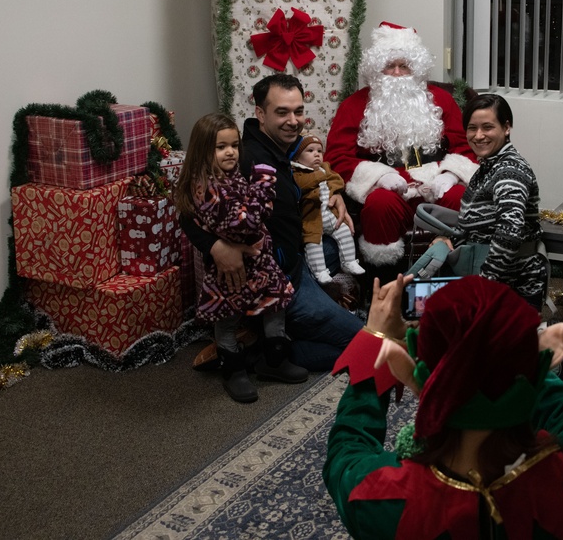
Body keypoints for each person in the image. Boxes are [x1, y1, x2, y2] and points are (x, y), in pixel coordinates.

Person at [324, 274, 563, 539]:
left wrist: (377, 337)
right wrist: (504, 341)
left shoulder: (378, 498)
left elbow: (347, 446)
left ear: (421, 377)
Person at [180, 74, 362, 372]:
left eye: (299, 111)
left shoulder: (283, 148)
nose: (293, 120)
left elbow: (310, 178)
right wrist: (214, 246)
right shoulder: (244, 158)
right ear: (260, 114)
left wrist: (334, 192)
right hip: (276, 277)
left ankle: (269, 332)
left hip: (295, 256)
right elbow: (187, 211)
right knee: (362, 342)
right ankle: (264, 351)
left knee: (343, 241)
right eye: (282, 112)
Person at [174, 113, 307, 403]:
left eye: (234, 145)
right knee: (228, 314)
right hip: (231, 269)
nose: (231, 152)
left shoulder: (231, 174)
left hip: (261, 262)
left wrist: (258, 199)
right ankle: (233, 369)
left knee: (275, 302)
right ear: (202, 151)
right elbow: (241, 225)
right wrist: (263, 184)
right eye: (221, 147)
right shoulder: (205, 187)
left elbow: (257, 214)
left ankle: (274, 360)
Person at [325, 22, 477, 272]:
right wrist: (379, 176)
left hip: (435, 183)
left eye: (404, 66)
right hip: (388, 189)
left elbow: (464, 147)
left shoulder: (442, 100)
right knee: (379, 206)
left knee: (460, 198)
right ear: (376, 69)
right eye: (389, 66)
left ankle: (458, 274)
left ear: (416, 69)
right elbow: (337, 157)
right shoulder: (355, 105)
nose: (396, 73)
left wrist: (451, 175)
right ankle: (385, 280)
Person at [427, 94, 547, 310]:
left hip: (509, 286)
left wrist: (484, 283)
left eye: (487, 127)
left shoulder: (509, 170)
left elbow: (510, 232)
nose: (478, 135)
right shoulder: (489, 166)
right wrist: (449, 237)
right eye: (472, 128)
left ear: (506, 127)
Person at [291, 134, 367, 284]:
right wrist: (319, 175)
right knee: (313, 243)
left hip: (330, 215)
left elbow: (337, 179)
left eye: (319, 151)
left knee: (345, 231)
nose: (316, 154)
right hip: (313, 220)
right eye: (310, 151)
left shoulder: (324, 168)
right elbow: (303, 184)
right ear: (297, 158)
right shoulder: (297, 173)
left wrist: (334, 188)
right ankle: (320, 272)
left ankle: (349, 261)